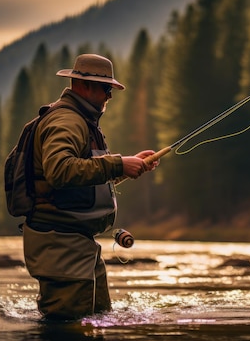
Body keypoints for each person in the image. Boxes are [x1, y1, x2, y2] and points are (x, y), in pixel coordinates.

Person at [21, 53, 157, 320]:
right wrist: (118, 164)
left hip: (77, 247)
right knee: (68, 329)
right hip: (61, 248)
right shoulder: (67, 121)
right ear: (83, 86)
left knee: (95, 320)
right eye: (106, 89)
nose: (109, 97)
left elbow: (82, 179)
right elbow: (59, 171)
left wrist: (128, 167)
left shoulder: (81, 121)